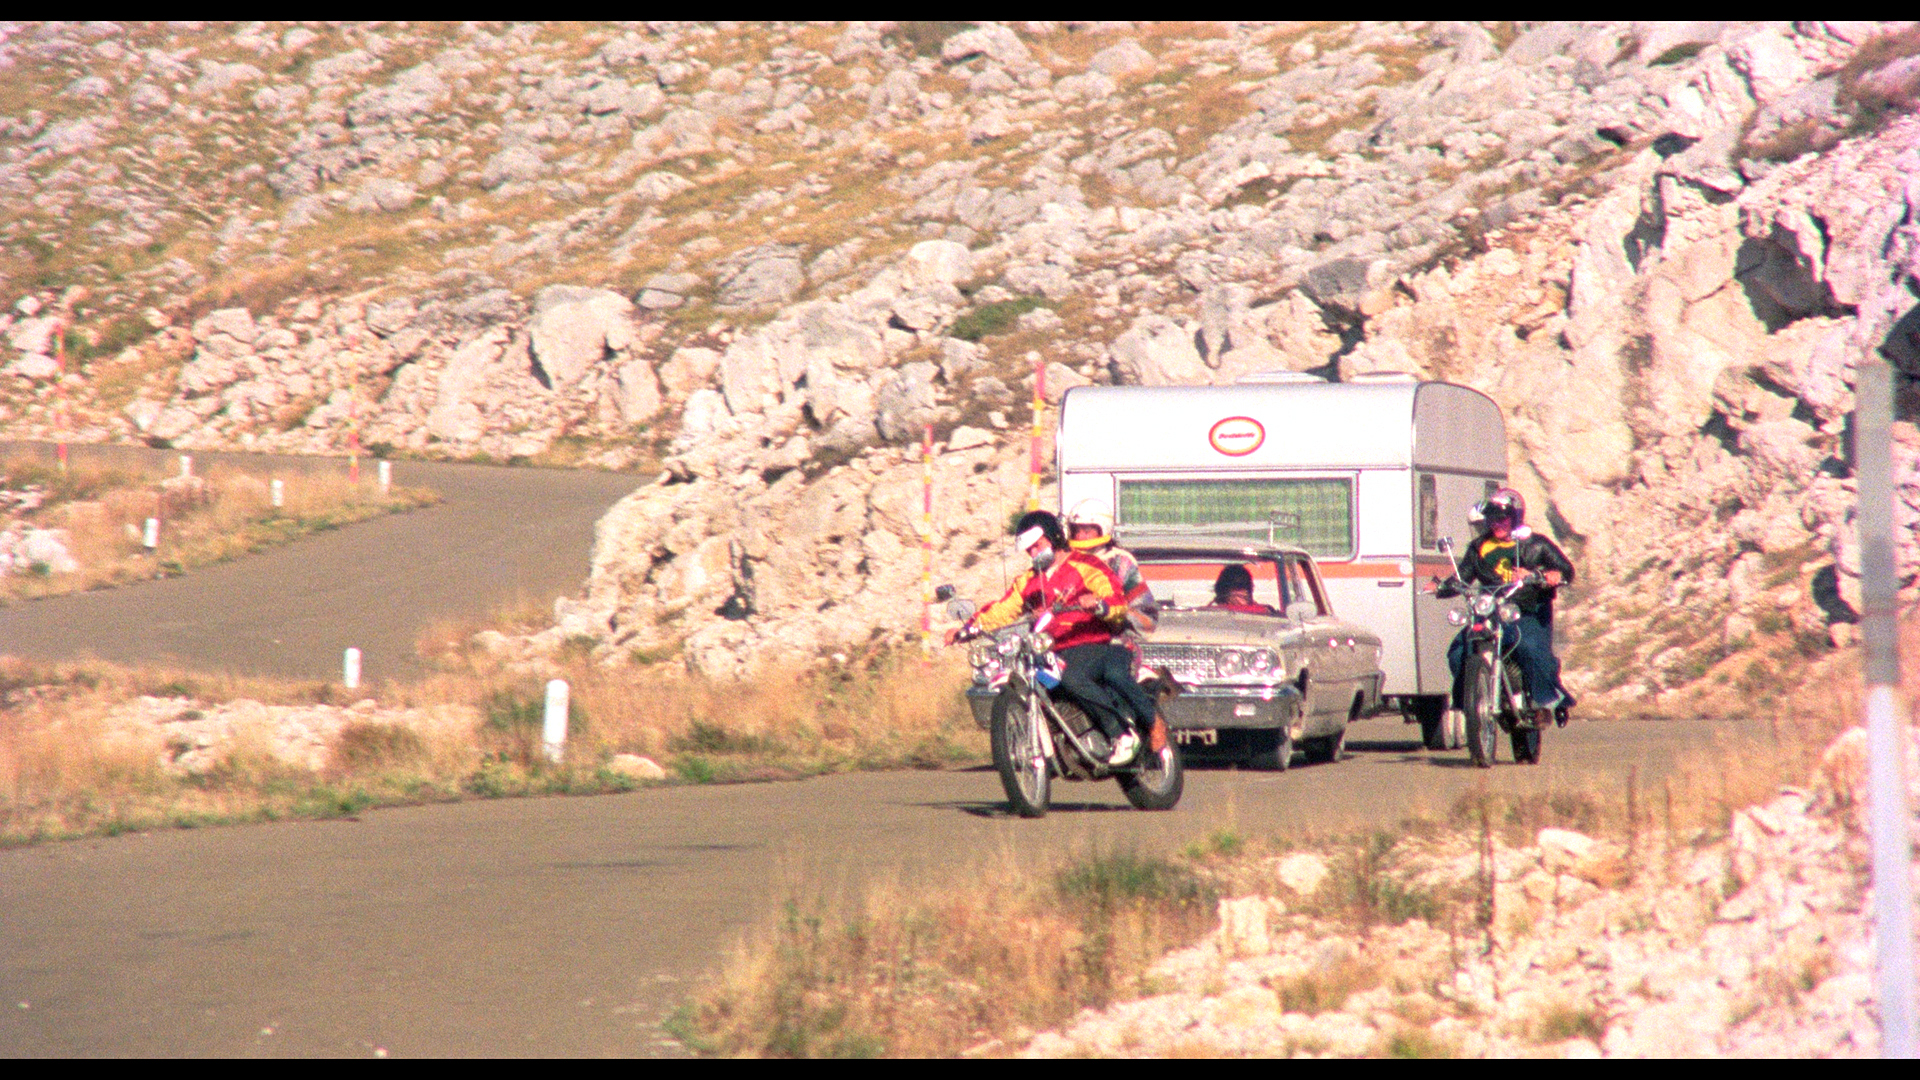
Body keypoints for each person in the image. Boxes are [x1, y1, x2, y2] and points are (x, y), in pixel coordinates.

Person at [947, 510, 1145, 764]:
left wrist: (1099, 605)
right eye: (1028, 550)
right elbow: (1002, 609)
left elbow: (1113, 597)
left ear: (1053, 537)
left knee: (1071, 678)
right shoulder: (1028, 581)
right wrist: (967, 629)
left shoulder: (1085, 565)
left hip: (1090, 643)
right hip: (1050, 648)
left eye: (1037, 546)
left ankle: (1120, 733)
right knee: (1042, 678)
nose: (1033, 553)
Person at [1431, 487, 1576, 729]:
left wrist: (1547, 575)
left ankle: (1545, 701)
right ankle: (1470, 701)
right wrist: (1440, 587)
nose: (1496, 523)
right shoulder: (1479, 547)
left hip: (1526, 610)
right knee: (1458, 651)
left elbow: (1567, 570)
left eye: (1502, 517)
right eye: (1491, 517)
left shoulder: (1536, 544)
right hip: (1491, 610)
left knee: (1530, 648)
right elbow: (1463, 577)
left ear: (1515, 517)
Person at [1065, 498, 1162, 733]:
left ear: (1103, 529)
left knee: (1114, 675)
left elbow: (1147, 613)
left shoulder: (1120, 561)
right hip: (1074, 644)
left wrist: (1107, 609)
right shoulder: (1064, 562)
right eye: (1076, 530)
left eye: (1087, 530)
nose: (1080, 536)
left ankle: (1151, 724)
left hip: (1116, 643)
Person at [1208, 563, 1281, 616]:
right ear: (1225, 591)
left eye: (1246, 588)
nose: (1243, 593)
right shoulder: (1211, 612)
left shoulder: (1264, 612)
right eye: (1237, 588)